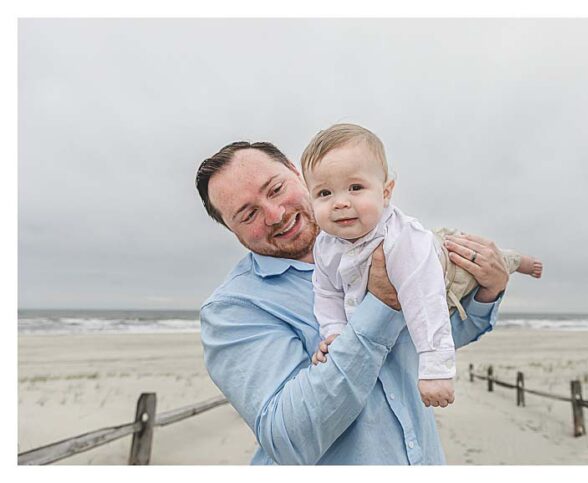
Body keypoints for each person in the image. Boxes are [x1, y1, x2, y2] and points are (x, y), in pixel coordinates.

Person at [195, 141, 512, 464]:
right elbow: (289, 439)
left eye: (276, 189)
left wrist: (489, 291)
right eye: (249, 214)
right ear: (231, 230)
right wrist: (380, 305)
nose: (275, 215)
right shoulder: (232, 310)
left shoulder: (379, 238)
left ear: (296, 172)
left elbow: (425, 339)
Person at [301, 124, 543, 408]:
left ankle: (520, 260)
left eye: (355, 188)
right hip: (427, 254)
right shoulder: (326, 245)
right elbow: (327, 293)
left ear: (386, 192)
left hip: (449, 269)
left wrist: (435, 371)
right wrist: (335, 332)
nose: (340, 202)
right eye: (324, 193)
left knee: (494, 259)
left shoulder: (400, 241)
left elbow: (425, 303)